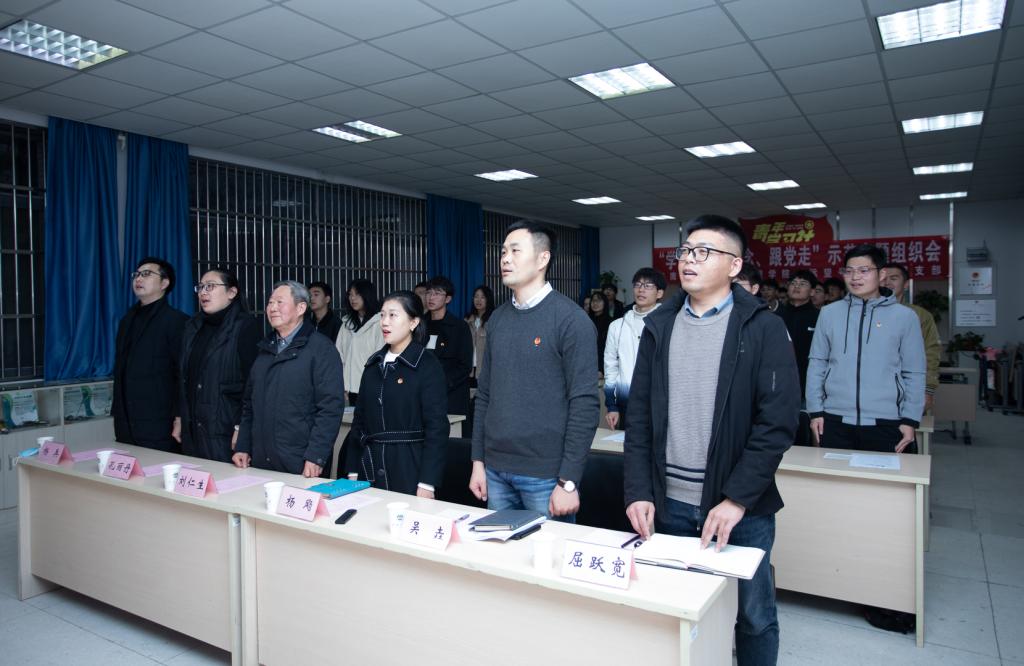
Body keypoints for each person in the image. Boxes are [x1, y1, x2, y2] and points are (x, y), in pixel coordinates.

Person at [623, 214, 799, 666]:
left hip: (739, 509)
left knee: (753, 615)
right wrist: (639, 490)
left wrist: (737, 498)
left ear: (734, 266)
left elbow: (776, 424)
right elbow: (639, 417)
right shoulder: (660, 324)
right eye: (685, 251)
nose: (689, 260)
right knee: (678, 613)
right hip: (669, 502)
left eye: (704, 252)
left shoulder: (761, 327)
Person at [470, 220, 599, 520]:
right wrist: (478, 461)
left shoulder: (571, 320)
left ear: (543, 259)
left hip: (546, 476)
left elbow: (584, 404)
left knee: (547, 551)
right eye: (503, 252)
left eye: (515, 251)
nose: (505, 259)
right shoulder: (498, 319)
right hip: (496, 471)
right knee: (498, 550)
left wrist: (568, 480)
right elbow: (485, 395)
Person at [806, 245, 926, 453]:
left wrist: (910, 419)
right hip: (833, 418)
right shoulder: (828, 313)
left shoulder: (905, 317)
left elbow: (914, 371)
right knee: (834, 474)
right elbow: (817, 363)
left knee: (885, 474)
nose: (855, 277)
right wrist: (815, 411)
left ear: (882, 274)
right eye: (849, 271)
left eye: (864, 270)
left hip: (888, 421)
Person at [233, 281, 345, 476]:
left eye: (279, 302)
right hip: (261, 458)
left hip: (301, 460)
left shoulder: (321, 349)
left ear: (301, 308)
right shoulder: (265, 349)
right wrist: (243, 445)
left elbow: (330, 408)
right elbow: (249, 404)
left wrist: (316, 455)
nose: (272, 308)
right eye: (270, 303)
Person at [344, 291, 448, 496]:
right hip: (370, 466)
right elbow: (359, 423)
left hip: (410, 467)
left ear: (413, 322)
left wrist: (427, 482)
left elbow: (437, 428)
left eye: (393, 315)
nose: (385, 322)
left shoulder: (427, 365)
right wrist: (353, 470)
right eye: (382, 315)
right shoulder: (373, 364)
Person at [179, 269, 262, 462]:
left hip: (225, 428)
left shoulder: (245, 326)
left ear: (232, 292)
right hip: (193, 427)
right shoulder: (193, 326)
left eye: (210, 286)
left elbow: (253, 384)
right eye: (200, 287)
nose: (203, 292)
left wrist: (242, 428)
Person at [112, 257, 188, 452]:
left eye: (146, 274)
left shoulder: (176, 321)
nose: (138, 279)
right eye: (136, 275)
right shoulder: (126, 321)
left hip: (160, 421)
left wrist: (179, 416)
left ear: (164, 283)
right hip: (126, 419)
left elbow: (182, 374)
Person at [604, 268, 665, 430]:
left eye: (648, 286)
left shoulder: (667, 324)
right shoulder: (617, 326)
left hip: (659, 404)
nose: (641, 290)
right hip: (626, 402)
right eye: (637, 285)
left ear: (659, 293)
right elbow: (611, 367)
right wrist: (612, 405)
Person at [882, 263, 941, 413]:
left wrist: (928, 389)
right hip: (873, 389)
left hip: (908, 387)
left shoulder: (920, 316)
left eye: (893, 278)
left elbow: (931, 352)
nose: (887, 283)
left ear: (906, 284)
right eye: (882, 279)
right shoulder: (865, 314)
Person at [424, 275, 473, 416]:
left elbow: (465, 366)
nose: (431, 297)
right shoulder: (419, 325)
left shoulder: (459, 327)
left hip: (451, 395)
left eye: (437, 293)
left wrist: (441, 383)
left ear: (448, 299)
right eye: (429, 292)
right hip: (423, 394)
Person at [335, 278, 384, 406]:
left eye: (357, 294)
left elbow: (381, 357)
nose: (353, 298)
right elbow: (339, 355)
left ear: (367, 295)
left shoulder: (380, 322)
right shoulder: (346, 323)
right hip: (350, 389)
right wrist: (343, 384)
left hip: (372, 386)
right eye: (350, 294)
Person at [780, 269, 820, 398]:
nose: (796, 286)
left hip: (809, 384)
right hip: (779, 382)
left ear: (812, 291)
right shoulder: (776, 317)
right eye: (793, 283)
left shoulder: (820, 317)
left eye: (802, 283)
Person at [465, 284, 495, 384]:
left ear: (488, 299)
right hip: (468, 369)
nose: (478, 300)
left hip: (486, 369)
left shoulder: (493, 320)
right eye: (476, 296)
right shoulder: (467, 320)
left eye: (482, 297)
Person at [588, 291, 613, 374]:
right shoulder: (586, 321)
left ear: (605, 303)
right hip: (587, 364)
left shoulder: (611, 323)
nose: (595, 303)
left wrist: (602, 369)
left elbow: (609, 349)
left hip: (603, 366)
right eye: (593, 300)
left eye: (599, 300)